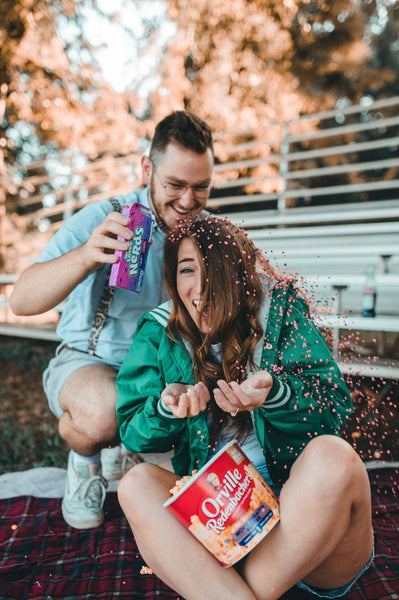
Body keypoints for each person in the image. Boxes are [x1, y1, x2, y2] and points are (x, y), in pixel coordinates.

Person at [116, 217, 374, 600]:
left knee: (334, 456)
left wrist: (277, 394)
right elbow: (132, 429)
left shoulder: (282, 312)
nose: (199, 289)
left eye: (214, 270)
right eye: (187, 270)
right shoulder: (160, 332)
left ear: (240, 276)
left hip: (306, 535)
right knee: (135, 485)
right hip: (220, 527)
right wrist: (167, 408)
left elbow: (333, 407)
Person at [9, 111, 215, 529]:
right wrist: (86, 255)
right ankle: (88, 461)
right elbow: (22, 300)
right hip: (92, 363)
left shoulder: (208, 232)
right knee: (105, 411)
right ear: (146, 169)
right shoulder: (108, 216)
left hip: (168, 373)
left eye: (201, 187)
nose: (188, 201)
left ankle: (129, 448)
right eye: (175, 185)